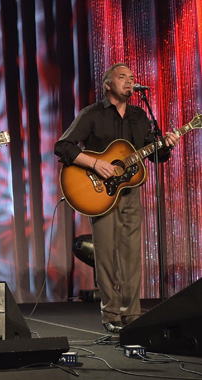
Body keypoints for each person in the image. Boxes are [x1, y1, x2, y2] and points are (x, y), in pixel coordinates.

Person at [54, 63, 180, 333]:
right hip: (99, 193)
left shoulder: (140, 115)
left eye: (132, 77)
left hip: (131, 192)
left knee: (132, 256)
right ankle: (111, 314)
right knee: (107, 257)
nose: (130, 81)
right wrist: (95, 164)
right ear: (108, 84)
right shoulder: (92, 114)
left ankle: (132, 316)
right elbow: (62, 146)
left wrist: (166, 146)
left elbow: (154, 154)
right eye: (122, 77)